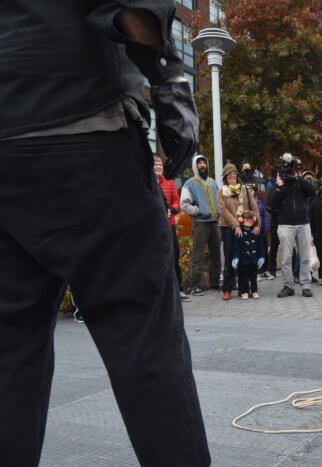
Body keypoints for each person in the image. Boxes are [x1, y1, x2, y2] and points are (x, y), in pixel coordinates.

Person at [0, 3, 210, 465]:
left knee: (10, 361)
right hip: (85, 126)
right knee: (145, 344)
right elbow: (131, 11)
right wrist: (172, 81)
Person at [270, 157, 316, 298]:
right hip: (285, 224)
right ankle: (288, 286)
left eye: (293, 169)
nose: (291, 172)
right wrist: (281, 186)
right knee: (286, 258)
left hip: (303, 223)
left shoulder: (301, 182)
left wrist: (297, 177)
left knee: (305, 257)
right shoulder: (280, 185)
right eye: (289, 169)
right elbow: (273, 204)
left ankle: (306, 285)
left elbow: (312, 190)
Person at [217, 164, 260, 300]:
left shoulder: (245, 190)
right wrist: (235, 225)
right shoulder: (221, 191)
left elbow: (254, 207)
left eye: (234, 174)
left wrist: (257, 223)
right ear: (225, 177)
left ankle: (243, 288)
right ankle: (227, 288)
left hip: (245, 226)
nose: (232, 176)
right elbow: (224, 211)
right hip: (228, 227)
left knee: (244, 258)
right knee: (230, 257)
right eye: (229, 174)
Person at [181, 155, 222, 296]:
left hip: (215, 222)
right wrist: (197, 211)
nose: (202, 165)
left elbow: (219, 200)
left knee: (216, 253)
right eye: (199, 163)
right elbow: (184, 204)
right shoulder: (189, 184)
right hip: (200, 224)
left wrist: (219, 212)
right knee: (197, 255)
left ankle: (214, 282)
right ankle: (195, 286)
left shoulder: (212, 182)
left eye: (204, 162)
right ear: (195, 166)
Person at [155, 156, 190, 302]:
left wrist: (172, 209)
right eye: (155, 164)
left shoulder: (169, 183)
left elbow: (176, 201)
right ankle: (161, 292)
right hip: (154, 229)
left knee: (174, 257)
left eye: (159, 165)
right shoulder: (148, 184)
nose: (158, 167)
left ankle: (179, 289)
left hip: (169, 226)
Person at [232, 211, 265, 299]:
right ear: (242, 220)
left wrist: (262, 257)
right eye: (246, 219)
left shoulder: (256, 232)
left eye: (250, 219)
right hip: (243, 260)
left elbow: (261, 246)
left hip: (254, 259)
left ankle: (254, 291)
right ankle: (245, 292)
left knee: (253, 277)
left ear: (254, 220)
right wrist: (236, 258)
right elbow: (236, 247)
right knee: (244, 277)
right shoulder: (239, 232)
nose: (248, 221)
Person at [265, 168, 280, 279]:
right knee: (274, 247)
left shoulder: (287, 188)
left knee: (290, 249)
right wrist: (275, 210)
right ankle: (272, 270)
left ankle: (294, 271)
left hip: (286, 222)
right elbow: (267, 205)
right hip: (275, 221)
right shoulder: (271, 189)